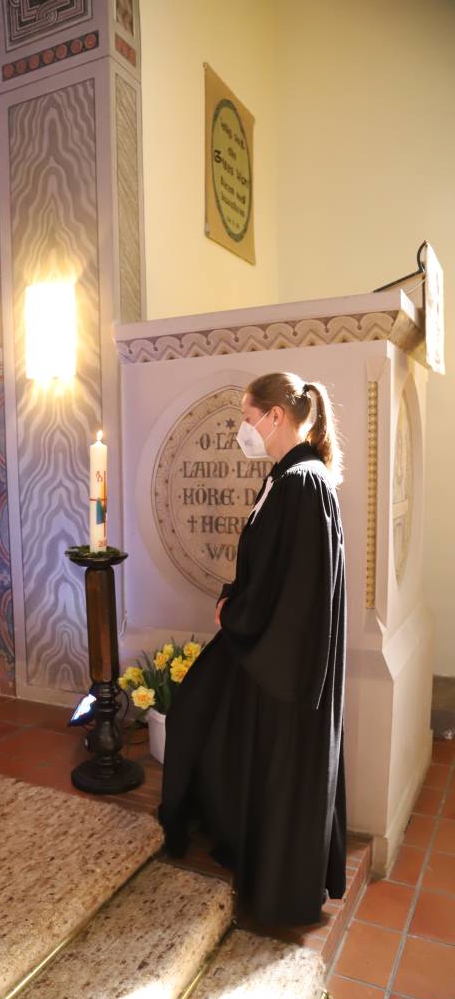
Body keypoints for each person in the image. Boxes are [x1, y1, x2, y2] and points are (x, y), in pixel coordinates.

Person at [158, 371, 347, 927]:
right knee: (200, 709)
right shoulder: (285, 478)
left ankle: (277, 887)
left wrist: (237, 613)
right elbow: (267, 566)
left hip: (284, 664)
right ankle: (226, 831)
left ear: (275, 417)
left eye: (246, 418)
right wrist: (232, 598)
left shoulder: (303, 482)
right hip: (262, 639)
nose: (243, 429)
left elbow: (297, 587)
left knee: (206, 715)